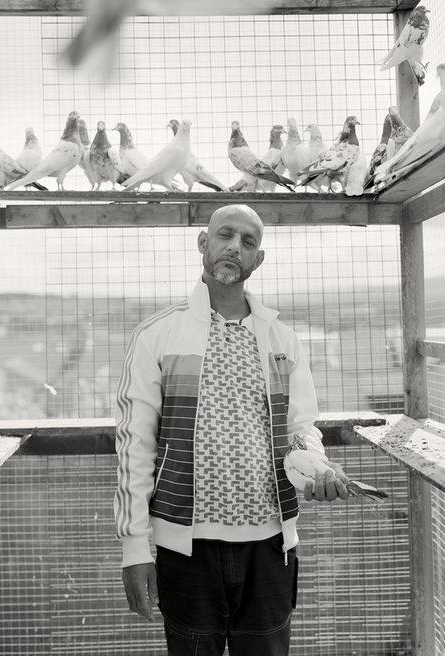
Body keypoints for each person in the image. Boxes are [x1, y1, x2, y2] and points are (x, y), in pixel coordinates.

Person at [114, 204, 350, 656]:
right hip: (186, 548)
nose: (234, 248)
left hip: (270, 544)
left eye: (248, 242)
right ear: (203, 244)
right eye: (225, 236)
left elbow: (301, 426)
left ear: (257, 260)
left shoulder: (282, 338)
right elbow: (134, 446)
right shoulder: (157, 335)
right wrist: (134, 548)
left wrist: (316, 466)